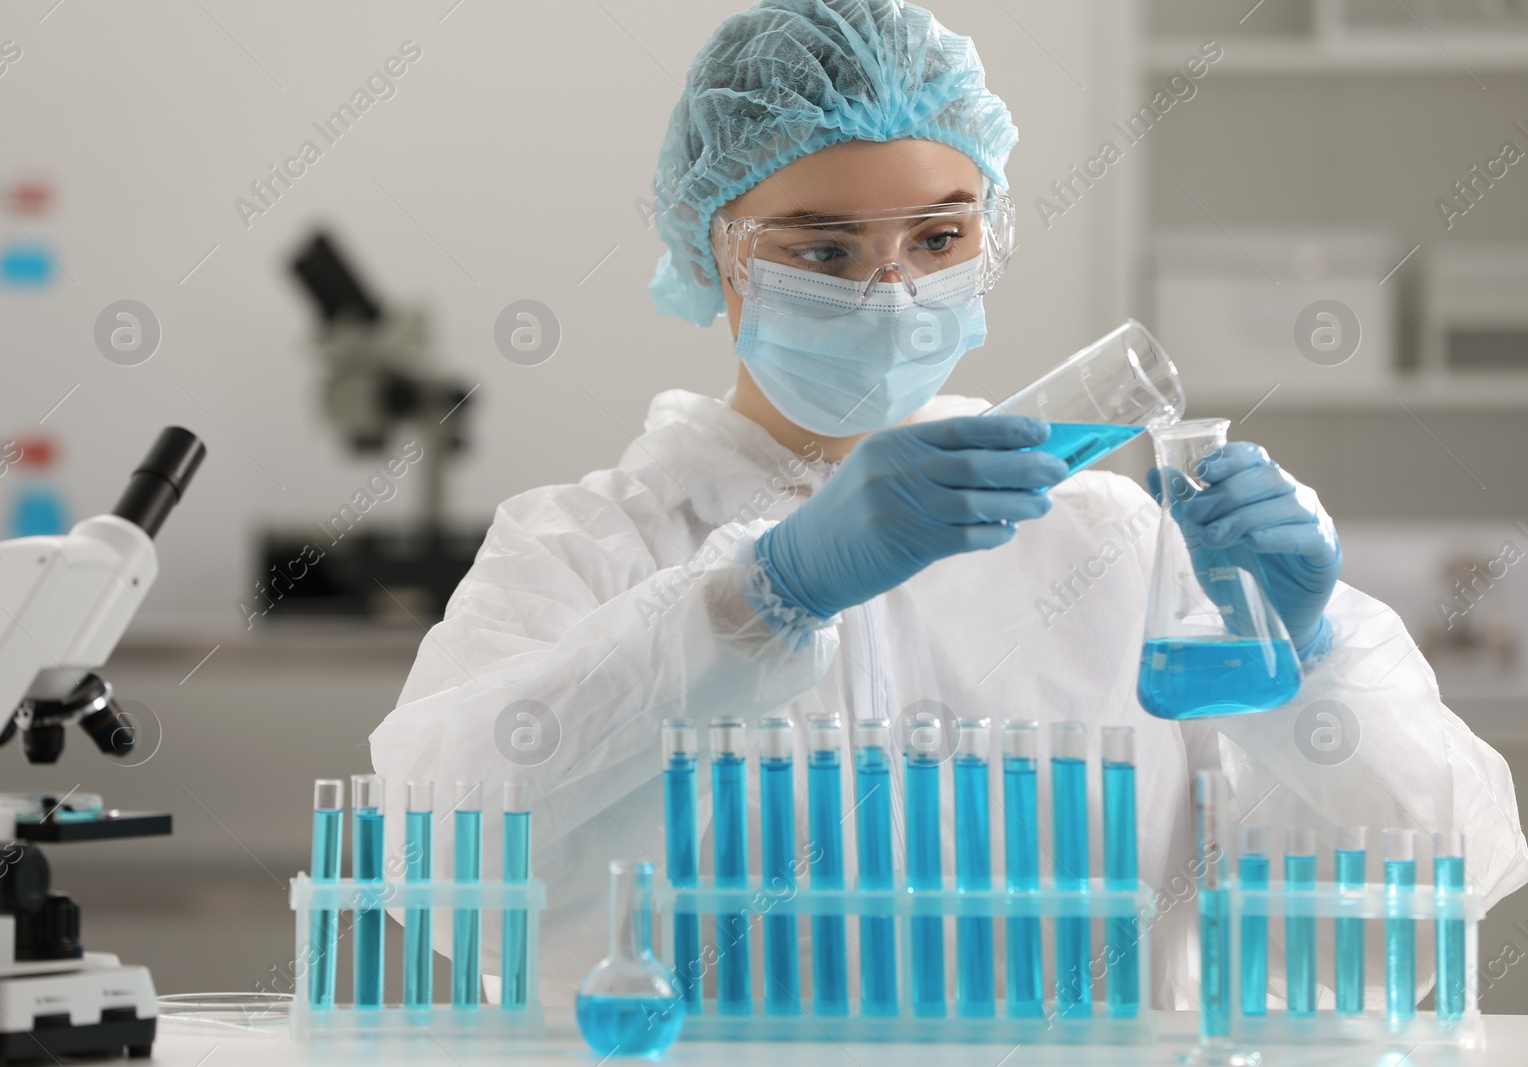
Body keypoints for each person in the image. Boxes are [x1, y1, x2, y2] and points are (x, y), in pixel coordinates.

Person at [371, 0, 1528, 1010]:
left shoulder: (1117, 547)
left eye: (939, 235)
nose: (893, 291)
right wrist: (761, 591)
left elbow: (1405, 909)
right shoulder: (592, 546)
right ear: (715, 251)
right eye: (822, 250)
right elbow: (436, 860)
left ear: (992, 232)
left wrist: (1309, 659)